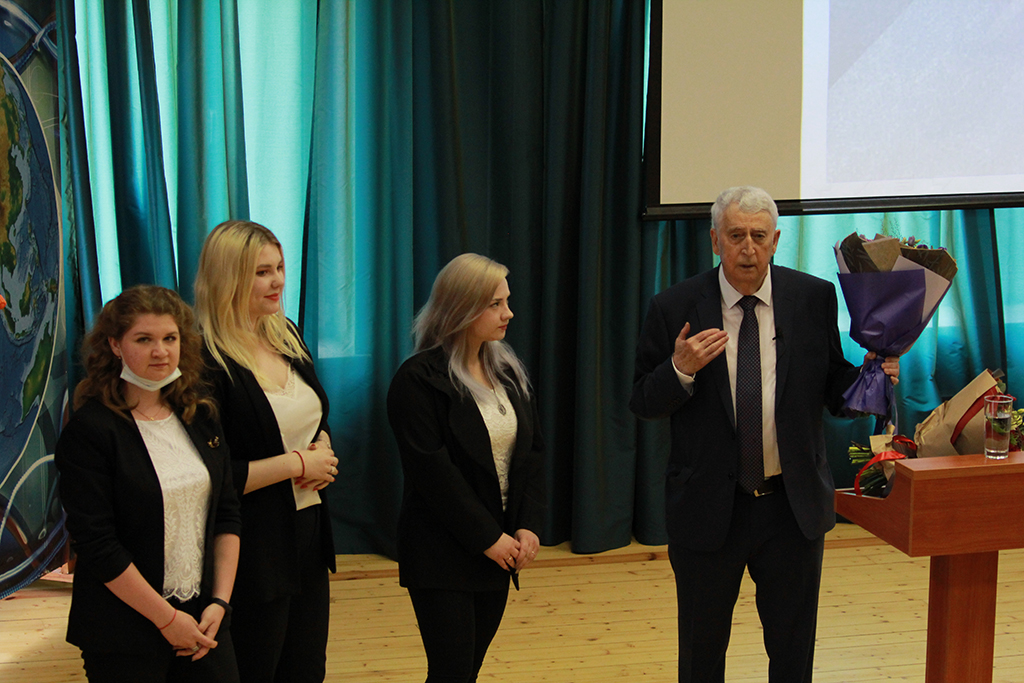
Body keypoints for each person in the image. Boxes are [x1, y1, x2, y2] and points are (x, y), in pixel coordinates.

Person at [630, 186, 900, 683]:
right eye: (736, 236)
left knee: (793, 655)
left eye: (759, 236)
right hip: (709, 508)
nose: (748, 249)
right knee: (701, 656)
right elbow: (643, 402)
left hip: (791, 508)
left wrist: (870, 380)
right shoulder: (675, 306)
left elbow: (831, 387)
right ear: (715, 241)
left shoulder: (812, 297)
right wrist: (679, 369)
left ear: (776, 240)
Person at [55, 285, 241, 683]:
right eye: (144, 339)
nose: (161, 352)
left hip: (204, 619)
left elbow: (227, 514)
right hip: (126, 630)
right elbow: (98, 545)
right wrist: (168, 620)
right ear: (115, 345)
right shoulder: (90, 431)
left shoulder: (200, 415)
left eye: (170, 338)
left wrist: (220, 602)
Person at [387, 253, 546, 683]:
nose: (508, 313)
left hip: (499, 549)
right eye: (495, 304)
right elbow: (433, 475)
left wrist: (527, 525)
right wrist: (488, 539)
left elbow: (531, 455)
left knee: (468, 669)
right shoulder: (417, 380)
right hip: (442, 550)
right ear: (461, 307)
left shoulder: (507, 372)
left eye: (507, 301)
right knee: (451, 671)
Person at [194, 220, 337, 683]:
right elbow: (211, 475)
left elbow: (312, 415)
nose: (277, 281)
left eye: (279, 267)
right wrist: (297, 464)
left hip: (307, 531)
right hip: (252, 544)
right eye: (261, 272)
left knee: (307, 669)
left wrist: (323, 446)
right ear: (228, 277)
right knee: (259, 667)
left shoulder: (285, 334)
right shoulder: (204, 358)